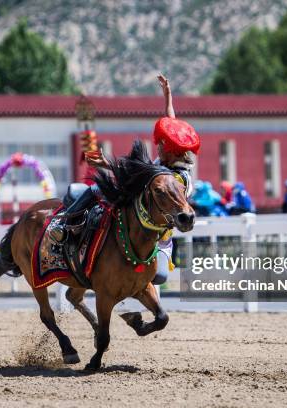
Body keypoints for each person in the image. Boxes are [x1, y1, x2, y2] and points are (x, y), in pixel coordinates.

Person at [50, 73, 200, 285]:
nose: (157, 145)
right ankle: (68, 230)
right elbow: (171, 124)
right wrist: (168, 97)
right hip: (144, 220)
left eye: (161, 144)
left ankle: (63, 226)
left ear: (172, 150)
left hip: (155, 234)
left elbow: (136, 174)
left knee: (94, 190)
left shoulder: (175, 178)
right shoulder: (171, 162)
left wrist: (106, 164)